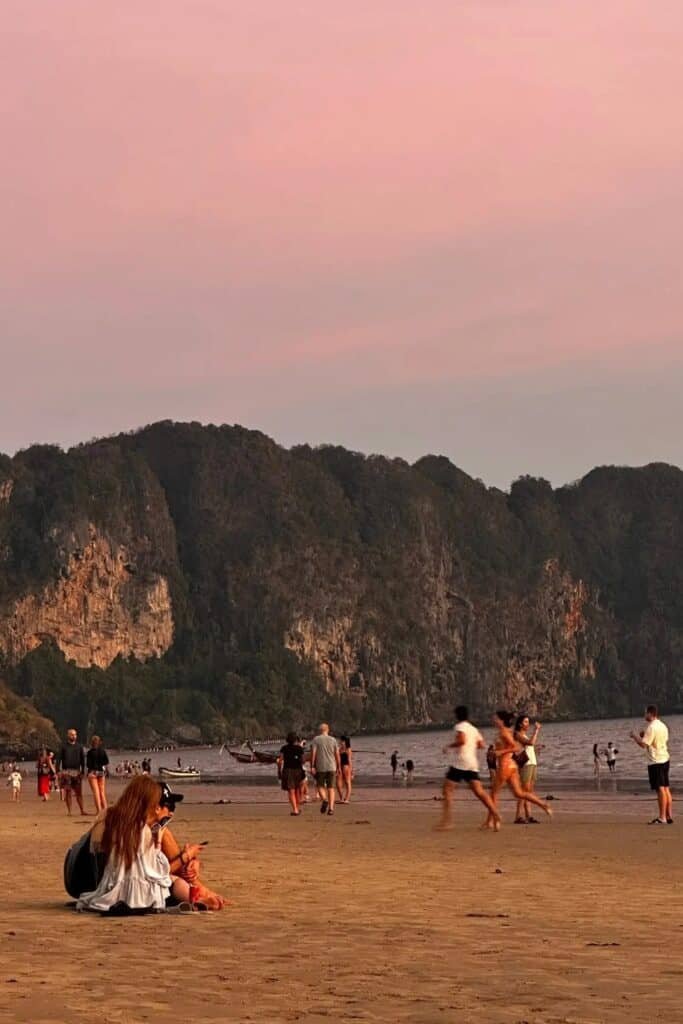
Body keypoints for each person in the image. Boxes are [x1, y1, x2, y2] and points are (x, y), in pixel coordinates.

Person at [75, 776, 194, 913]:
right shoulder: (142, 831)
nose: (171, 812)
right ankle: (199, 898)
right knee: (176, 883)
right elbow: (156, 873)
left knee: (176, 881)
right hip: (134, 893)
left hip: (103, 882)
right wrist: (182, 855)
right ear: (154, 806)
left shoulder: (112, 819)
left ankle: (200, 895)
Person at [435, 706, 501, 831]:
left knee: (447, 790)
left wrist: (449, 746)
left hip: (460, 762)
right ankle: (495, 814)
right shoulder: (473, 729)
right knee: (480, 792)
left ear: (457, 716)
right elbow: (481, 745)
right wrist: (471, 744)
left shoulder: (460, 726)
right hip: (472, 763)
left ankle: (447, 822)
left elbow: (462, 740)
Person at [483, 711, 552, 829]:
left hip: (505, 766)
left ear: (501, 720)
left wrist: (500, 752)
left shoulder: (504, 732)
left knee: (494, 794)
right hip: (513, 766)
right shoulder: (505, 732)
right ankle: (543, 804)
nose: (493, 720)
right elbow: (514, 746)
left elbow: (515, 747)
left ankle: (493, 820)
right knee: (519, 793)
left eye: (496, 718)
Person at [630, 705, 673, 825]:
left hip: (656, 761)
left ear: (650, 714)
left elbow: (643, 745)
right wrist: (644, 736)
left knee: (660, 789)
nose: (644, 715)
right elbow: (657, 741)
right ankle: (668, 815)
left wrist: (635, 736)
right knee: (665, 787)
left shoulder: (651, 727)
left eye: (645, 713)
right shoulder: (662, 725)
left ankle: (662, 817)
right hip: (664, 758)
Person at [513, 715, 542, 824]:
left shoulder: (523, 735)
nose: (528, 724)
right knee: (523, 792)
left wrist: (536, 749)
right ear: (520, 724)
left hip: (532, 763)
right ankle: (518, 816)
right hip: (526, 764)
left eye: (528, 722)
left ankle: (528, 815)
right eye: (525, 722)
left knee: (529, 792)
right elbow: (530, 743)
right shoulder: (518, 734)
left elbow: (530, 746)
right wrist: (536, 730)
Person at [310, 723, 340, 816]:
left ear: (320, 730)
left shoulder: (316, 739)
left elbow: (313, 754)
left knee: (320, 786)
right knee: (331, 788)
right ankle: (331, 809)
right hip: (332, 766)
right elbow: (337, 755)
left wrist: (312, 766)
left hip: (320, 767)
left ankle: (324, 799)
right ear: (328, 730)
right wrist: (339, 766)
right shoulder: (333, 740)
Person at [56, 728, 87, 815]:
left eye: (75, 734)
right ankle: (69, 811)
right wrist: (57, 771)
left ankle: (82, 810)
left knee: (79, 792)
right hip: (66, 772)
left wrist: (83, 771)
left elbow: (82, 760)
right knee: (68, 792)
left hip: (77, 772)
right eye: (72, 734)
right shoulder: (63, 746)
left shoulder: (79, 746)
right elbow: (58, 759)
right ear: (68, 735)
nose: (74, 736)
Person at [278, 732, 306, 815]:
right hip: (298, 770)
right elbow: (303, 761)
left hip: (288, 770)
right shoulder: (299, 748)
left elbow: (280, 761)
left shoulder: (284, 748)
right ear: (296, 740)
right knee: (297, 790)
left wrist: (279, 771)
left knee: (291, 791)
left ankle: (295, 809)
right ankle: (297, 808)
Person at [86, 735, 110, 813]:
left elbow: (88, 765)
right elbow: (106, 762)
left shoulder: (90, 752)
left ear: (92, 743)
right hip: (101, 772)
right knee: (102, 792)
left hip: (93, 772)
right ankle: (105, 809)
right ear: (99, 742)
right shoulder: (102, 751)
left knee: (96, 792)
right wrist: (105, 770)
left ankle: (99, 810)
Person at [337, 735, 353, 803]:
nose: (340, 741)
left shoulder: (348, 749)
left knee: (347, 782)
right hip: (339, 766)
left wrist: (352, 770)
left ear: (344, 741)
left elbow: (349, 760)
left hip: (346, 767)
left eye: (341, 740)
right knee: (338, 783)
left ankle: (347, 798)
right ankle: (342, 798)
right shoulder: (339, 749)